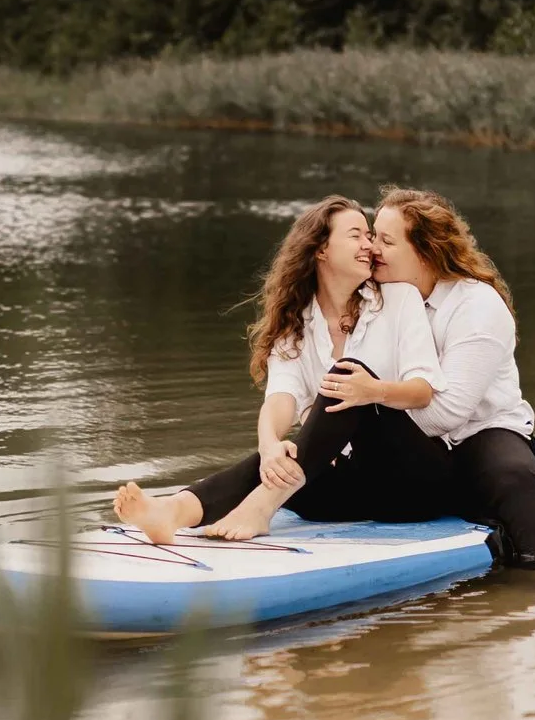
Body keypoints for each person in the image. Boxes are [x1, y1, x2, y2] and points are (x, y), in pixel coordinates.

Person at [114, 196, 451, 544]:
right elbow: (280, 398)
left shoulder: (399, 300)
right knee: (275, 459)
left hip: (416, 486)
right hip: (349, 493)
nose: (369, 245)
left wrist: (372, 391)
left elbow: (423, 390)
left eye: (370, 236)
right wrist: (270, 446)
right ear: (321, 249)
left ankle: (261, 507)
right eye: (357, 235)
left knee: (349, 377)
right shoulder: (295, 324)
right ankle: (171, 512)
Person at [371, 188, 535, 570]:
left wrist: (368, 423)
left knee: (510, 478)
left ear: (425, 251)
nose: (372, 248)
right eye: (371, 235)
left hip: (482, 431)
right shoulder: (378, 299)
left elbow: (448, 412)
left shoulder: (476, 305)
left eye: (386, 240)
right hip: (418, 448)